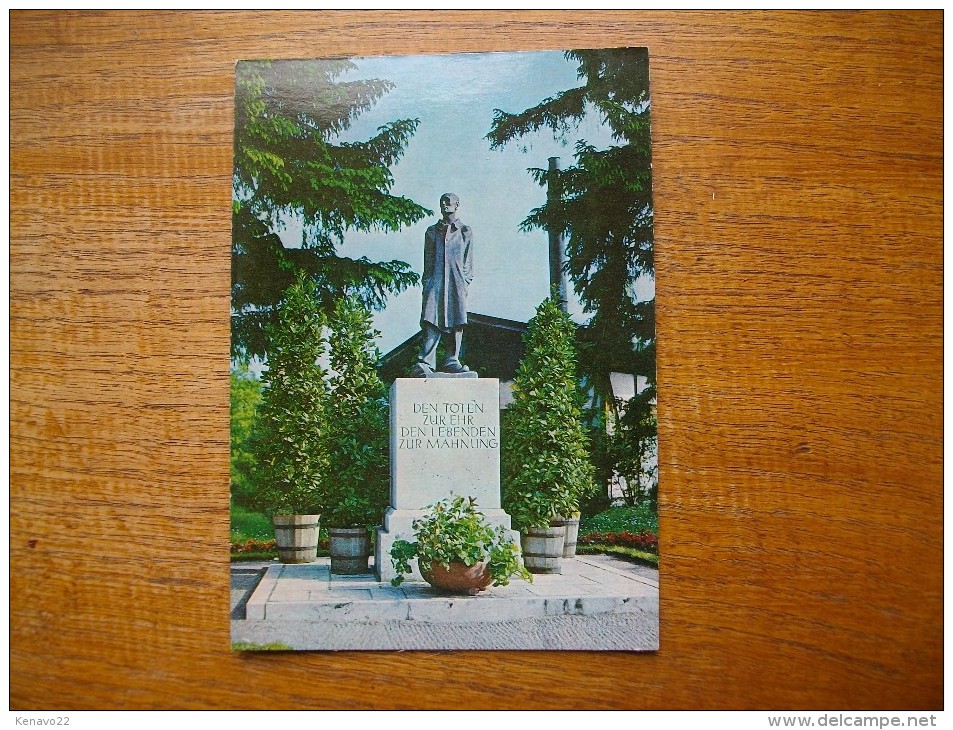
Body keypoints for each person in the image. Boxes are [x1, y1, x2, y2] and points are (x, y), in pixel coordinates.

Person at [412, 193, 472, 376]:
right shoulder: (432, 231)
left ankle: (451, 360)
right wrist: (427, 283)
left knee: (457, 320)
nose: (445, 204)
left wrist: (464, 281)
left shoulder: (465, 231)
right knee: (431, 318)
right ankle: (426, 361)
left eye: (449, 201)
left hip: (456, 282)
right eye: (442, 202)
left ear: (457, 205)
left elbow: (468, 262)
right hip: (436, 281)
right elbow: (428, 261)